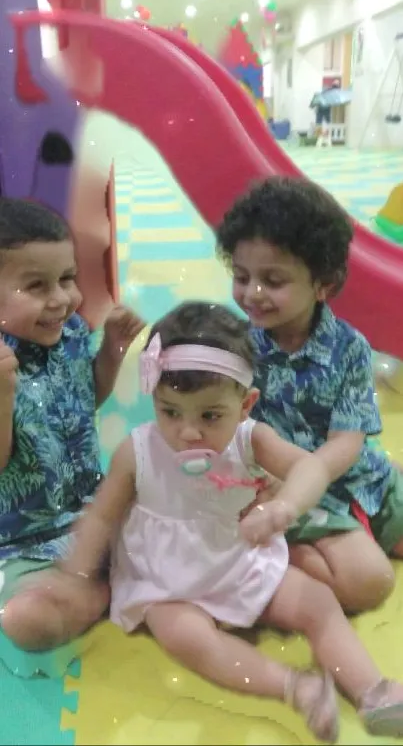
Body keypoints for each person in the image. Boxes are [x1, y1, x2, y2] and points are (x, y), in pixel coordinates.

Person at [23, 302, 403, 741]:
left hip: (238, 558)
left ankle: (372, 689)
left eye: (209, 416)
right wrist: (78, 572)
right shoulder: (139, 450)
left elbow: (311, 468)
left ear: (246, 404)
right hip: (166, 580)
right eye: (169, 411)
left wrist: (284, 507)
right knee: (184, 636)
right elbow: (103, 515)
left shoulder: (251, 439)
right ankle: (293, 686)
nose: (187, 432)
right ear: (155, 400)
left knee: (317, 601)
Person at [216, 175, 403, 614]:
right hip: (287, 495)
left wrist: (314, 476)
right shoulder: (235, 346)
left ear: (323, 284)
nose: (252, 293)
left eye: (273, 280)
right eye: (242, 277)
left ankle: (363, 531)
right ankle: (283, 553)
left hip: (360, 479)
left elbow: (347, 442)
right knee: (370, 583)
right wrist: (285, 501)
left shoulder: (349, 347)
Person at [0, 197, 143, 648]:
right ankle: (108, 590)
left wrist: (112, 352)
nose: (61, 299)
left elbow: (83, 403)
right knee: (27, 622)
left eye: (66, 279)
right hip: (24, 545)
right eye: (36, 286)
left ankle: (116, 576)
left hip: (95, 513)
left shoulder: (70, 334)